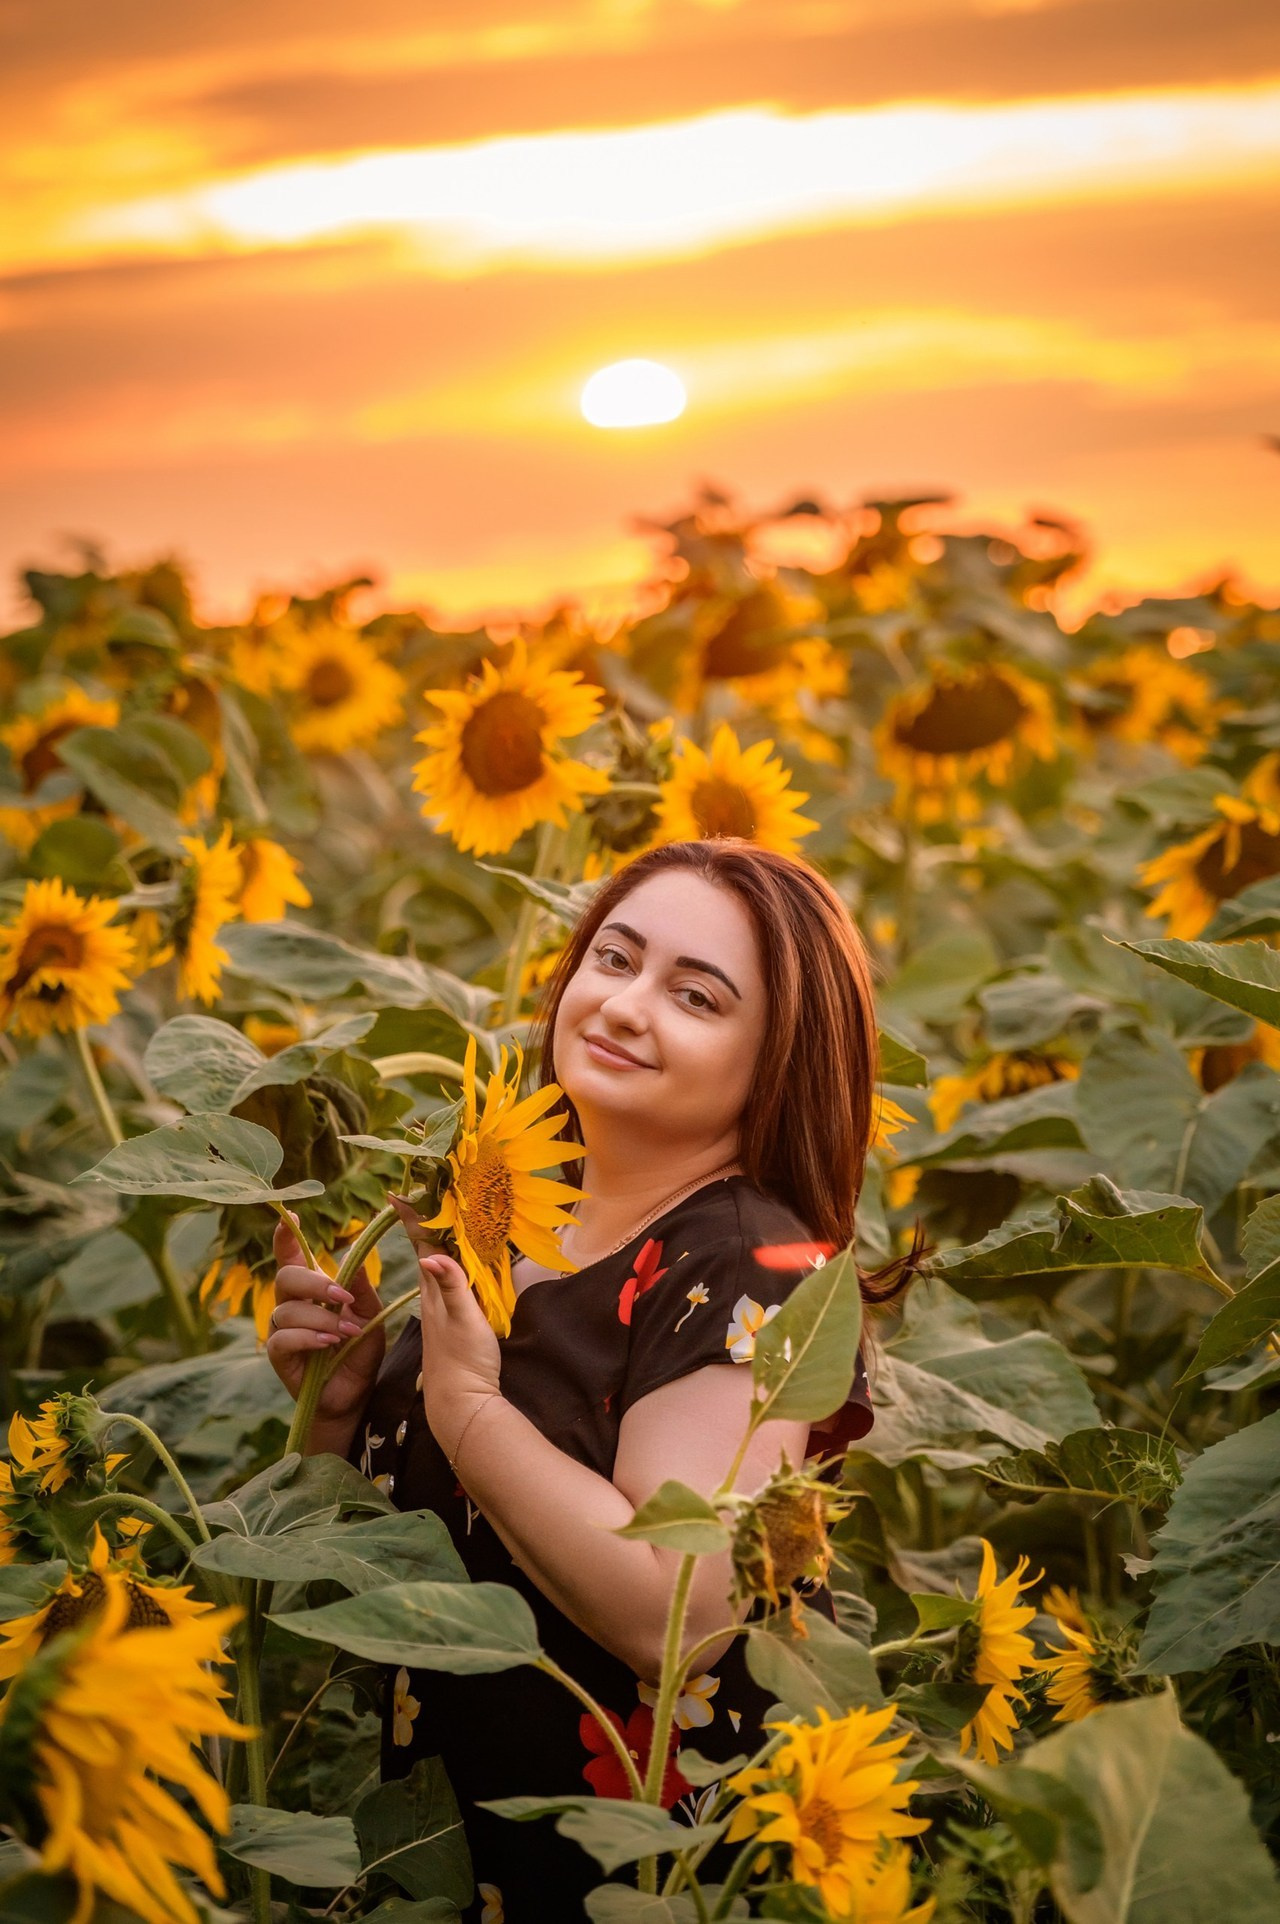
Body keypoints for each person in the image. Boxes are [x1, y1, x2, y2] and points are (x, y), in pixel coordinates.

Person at [267, 838, 919, 1919]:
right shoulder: (515, 1216)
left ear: (779, 1058)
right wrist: (337, 1413)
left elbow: (677, 1610)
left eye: (695, 996)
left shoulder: (754, 1265)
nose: (623, 1006)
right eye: (614, 959)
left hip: (640, 1875)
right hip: (448, 1845)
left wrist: (466, 1410)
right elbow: (401, 1576)